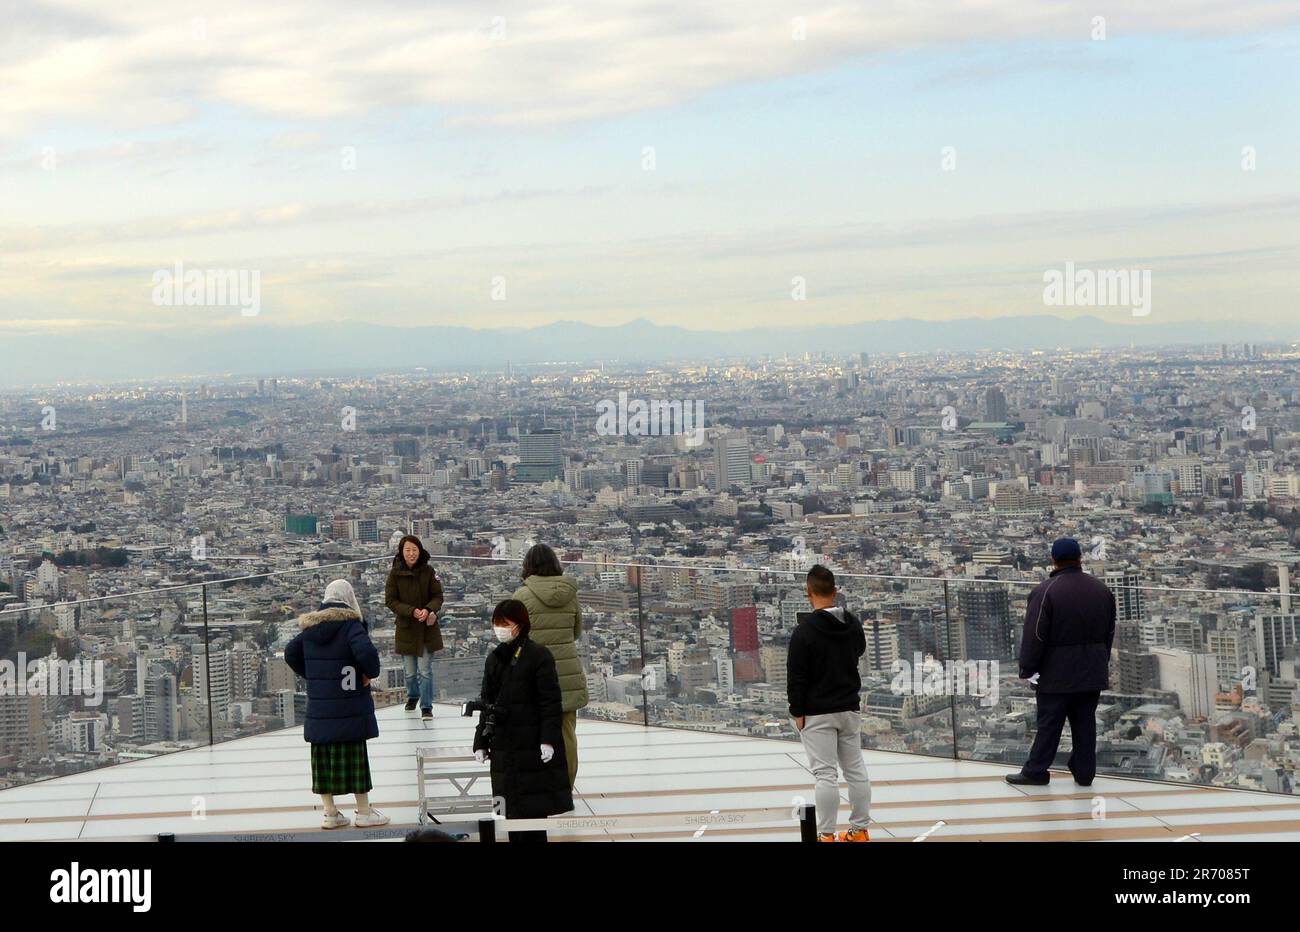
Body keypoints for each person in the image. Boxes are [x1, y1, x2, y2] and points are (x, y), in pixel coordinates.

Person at [1007, 537, 1117, 787]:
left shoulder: (1046, 591)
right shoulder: (1101, 590)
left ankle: (1036, 771)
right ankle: (1085, 772)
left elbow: (1035, 635)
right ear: (1079, 558)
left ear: (1053, 560)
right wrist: (1100, 660)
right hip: (1091, 670)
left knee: (1049, 723)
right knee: (1085, 723)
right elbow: (1109, 633)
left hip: (1055, 673)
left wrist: (1028, 668)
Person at [284, 579, 389, 829]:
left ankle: (330, 813)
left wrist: (313, 673)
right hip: (349, 704)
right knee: (355, 758)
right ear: (348, 598)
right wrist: (368, 672)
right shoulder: (351, 626)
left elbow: (290, 652)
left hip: (321, 707)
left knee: (322, 761)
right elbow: (367, 655)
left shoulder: (310, 628)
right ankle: (363, 811)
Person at [471, 599, 573, 842]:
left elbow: (551, 703)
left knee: (534, 816)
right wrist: (480, 742)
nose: (500, 628)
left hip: (530, 747)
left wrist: (548, 740)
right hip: (502, 747)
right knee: (505, 814)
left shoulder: (539, 656)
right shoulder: (494, 658)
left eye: (505, 623)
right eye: (496, 623)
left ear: (520, 625)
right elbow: (487, 703)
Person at [787, 564, 871, 842]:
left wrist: (797, 712)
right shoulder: (852, 623)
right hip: (848, 706)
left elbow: (796, 677)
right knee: (855, 769)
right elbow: (859, 651)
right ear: (835, 591)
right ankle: (859, 831)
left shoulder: (804, 631)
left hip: (816, 711)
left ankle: (825, 836)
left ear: (808, 593)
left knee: (825, 775)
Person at [512, 543, 586, 787]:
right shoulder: (570, 594)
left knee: (534, 731)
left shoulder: (522, 596)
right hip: (566, 672)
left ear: (528, 566)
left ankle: (541, 785)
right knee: (566, 734)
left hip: (534, 674)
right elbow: (576, 632)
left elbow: (514, 638)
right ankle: (567, 784)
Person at [385, 534, 444, 720]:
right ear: (401, 552)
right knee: (410, 672)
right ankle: (413, 695)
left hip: (427, 627)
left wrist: (428, 610)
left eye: (414, 550)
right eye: (408, 550)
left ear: (420, 551)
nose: (411, 553)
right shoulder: (394, 574)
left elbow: (438, 596)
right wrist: (411, 611)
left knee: (425, 671)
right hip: (406, 626)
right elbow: (390, 601)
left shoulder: (428, 571)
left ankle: (426, 706)